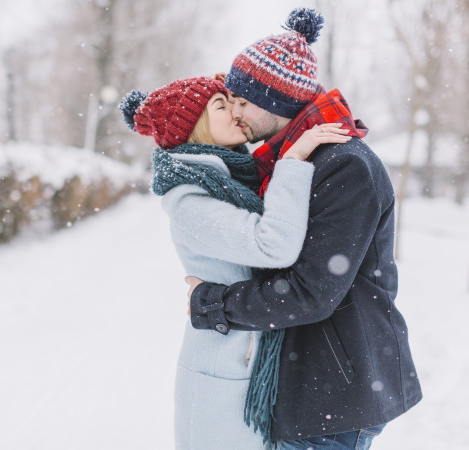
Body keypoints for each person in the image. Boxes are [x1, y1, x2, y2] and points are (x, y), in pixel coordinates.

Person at [184, 8, 422, 450]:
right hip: (313, 387)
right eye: (230, 100)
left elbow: (312, 293)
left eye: (242, 101)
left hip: (334, 391)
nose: (235, 113)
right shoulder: (291, 162)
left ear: (276, 102)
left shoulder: (344, 165)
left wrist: (213, 302)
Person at [119, 76, 350, 450]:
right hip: (223, 371)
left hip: (250, 360)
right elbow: (274, 245)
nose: (236, 112)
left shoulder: (235, 180)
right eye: (221, 107)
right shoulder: (189, 200)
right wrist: (292, 161)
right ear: (196, 128)